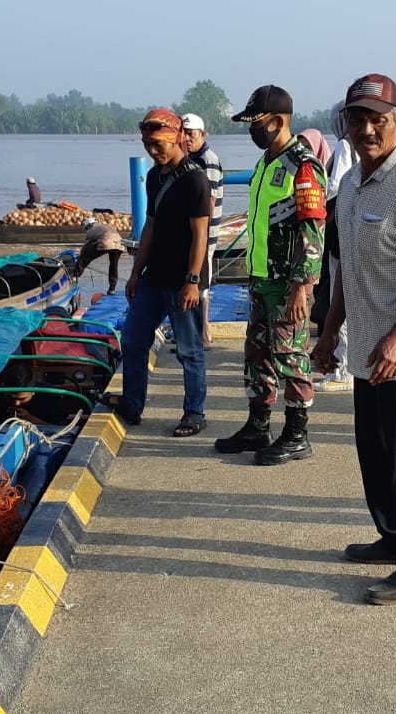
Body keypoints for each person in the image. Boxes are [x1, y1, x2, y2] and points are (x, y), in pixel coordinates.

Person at [311, 73, 396, 606]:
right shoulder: (347, 186)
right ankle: (392, 538)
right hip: (365, 346)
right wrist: (329, 334)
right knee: (376, 451)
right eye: (357, 118)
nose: (367, 129)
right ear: (344, 123)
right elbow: (344, 267)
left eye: (378, 119)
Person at [214, 85, 327, 466]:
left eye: (255, 123)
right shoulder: (266, 163)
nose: (251, 130)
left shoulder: (303, 166)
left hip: (288, 284)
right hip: (261, 278)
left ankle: (297, 434)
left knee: (291, 356)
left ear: (278, 122)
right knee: (257, 354)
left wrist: (302, 287)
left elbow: (313, 232)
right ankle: (257, 424)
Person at [104, 108, 211, 435]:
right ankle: (132, 403)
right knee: (134, 339)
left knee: (189, 350)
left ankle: (194, 412)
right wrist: (136, 272)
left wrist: (192, 282)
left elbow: (200, 235)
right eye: (148, 145)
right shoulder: (155, 176)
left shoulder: (195, 179)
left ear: (177, 137)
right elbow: (150, 225)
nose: (153, 151)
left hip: (183, 280)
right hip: (154, 276)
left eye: (158, 145)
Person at [313, 99, 355, 393]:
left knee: (338, 299)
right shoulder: (358, 149)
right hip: (350, 230)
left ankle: (342, 370)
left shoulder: (343, 146)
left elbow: (335, 186)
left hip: (338, 231)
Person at [181, 113, 224, 347]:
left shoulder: (207, 160)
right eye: (184, 133)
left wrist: (201, 232)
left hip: (204, 234)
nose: (187, 138)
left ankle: (203, 333)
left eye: (192, 134)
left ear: (203, 135)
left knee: (201, 283)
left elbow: (209, 200)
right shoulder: (192, 159)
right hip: (194, 233)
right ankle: (196, 331)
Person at [74, 217, 124, 294]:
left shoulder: (92, 229)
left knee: (85, 257)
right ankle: (112, 289)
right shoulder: (105, 226)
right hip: (120, 244)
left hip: (107, 242)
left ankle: (75, 275)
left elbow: (86, 246)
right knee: (113, 266)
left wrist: (81, 256)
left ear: (89, 225)